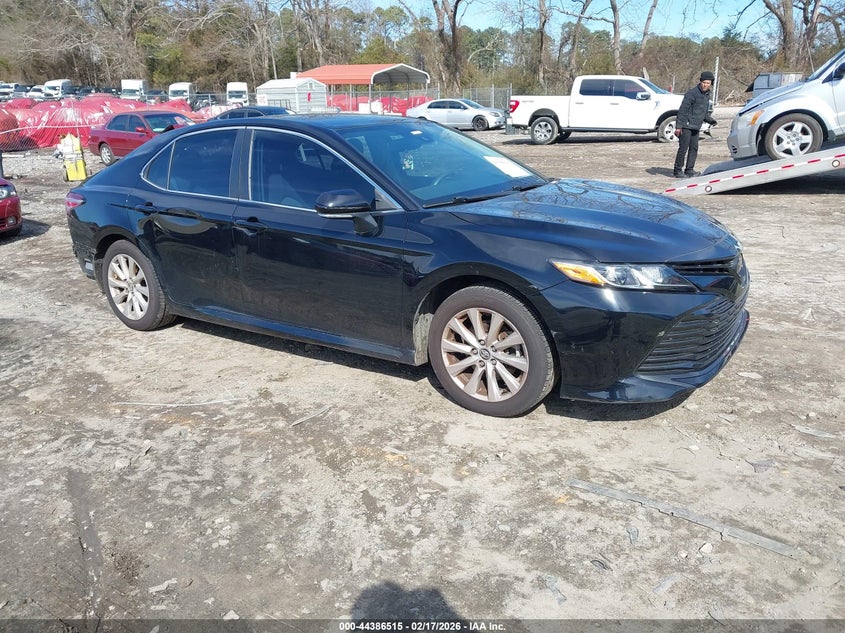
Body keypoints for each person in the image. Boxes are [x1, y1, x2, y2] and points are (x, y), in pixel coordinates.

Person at [673, 71, 717, 178]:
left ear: (710, 84)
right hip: (686, 125)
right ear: (700, 82)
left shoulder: (706, 96)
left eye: (708, 83)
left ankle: (689, 170)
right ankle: (677, 171)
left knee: (694, 148)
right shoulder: (691, 94)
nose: (705, 85)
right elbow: (682, 111)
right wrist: (679, 127)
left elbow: (702, 113)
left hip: (696, 127)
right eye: (704, 82)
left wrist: (710, 120)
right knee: (683, 148)